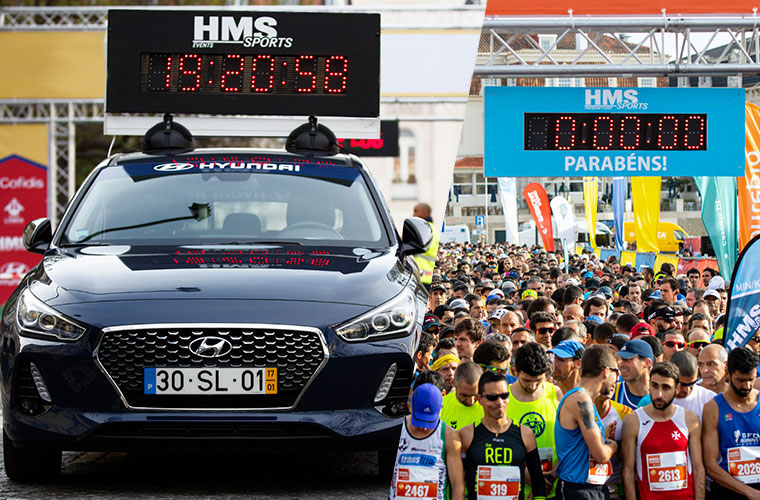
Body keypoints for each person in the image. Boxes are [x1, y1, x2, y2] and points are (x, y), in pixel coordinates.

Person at [621, 362, 704, 500]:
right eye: (655, 386)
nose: (659, 394)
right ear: (649, 385)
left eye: (666, 387)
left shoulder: (689, 419)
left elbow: (698, 468)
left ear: (677, 389)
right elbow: (628, 471)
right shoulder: (633, 421)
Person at [460, 370, 547, 500]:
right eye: (492, 397)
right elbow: (456, 482)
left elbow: (538, 482)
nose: (499, 403)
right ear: (479, 399)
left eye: (504, 396)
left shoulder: (525, 433)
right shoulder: (467, 434)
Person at [555, 345, 619, 499]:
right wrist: (612, 445)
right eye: (616, 373)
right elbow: (601, 455)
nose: (617, 379)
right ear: (606, 372)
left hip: (591, 487)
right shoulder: (581, 401)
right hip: (577, 490)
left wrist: (602, 437)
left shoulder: (586, 401)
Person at [702, 347, 760, 499]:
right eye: (740, 380)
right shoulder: (713, 408)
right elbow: (710, 465)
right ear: (727, 373)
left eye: (751, 380)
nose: (746, 386)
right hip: (729, 491)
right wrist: (747, 491)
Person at [390, 383, 464, 500]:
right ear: (410, 406)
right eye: (419, 420)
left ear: (441, 409)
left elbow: (458, 488)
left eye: (430, 421)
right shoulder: (397, 428)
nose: (424, 427)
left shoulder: (449, 435)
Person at [508, 342, 563, 498]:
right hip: (516, 487)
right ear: (515, 371)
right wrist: (527, 475)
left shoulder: (555, 393)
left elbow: (568, 439)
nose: (532, 386)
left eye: (538, 380)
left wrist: (551, 476)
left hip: (553, 485)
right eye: (526, 381)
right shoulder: (504, 397)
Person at [440, 362, 484, 431]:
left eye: (475, 394)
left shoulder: (489, 406)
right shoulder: (441, 407)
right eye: (464, 395)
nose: (471, 401)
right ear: (453, 383)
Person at [613, 339, 654, 410]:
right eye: (620, 359)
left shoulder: (660, 395)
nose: (621, 364)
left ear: (647, 363)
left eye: (627, 359)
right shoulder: (613, 392)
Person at [411, 202, 439, 289]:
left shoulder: (425, 229)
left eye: (416, 211)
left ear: (425, 213)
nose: (413, 214)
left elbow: (410, 248)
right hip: (424, 277)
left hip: (423, 279)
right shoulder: (430, 228)